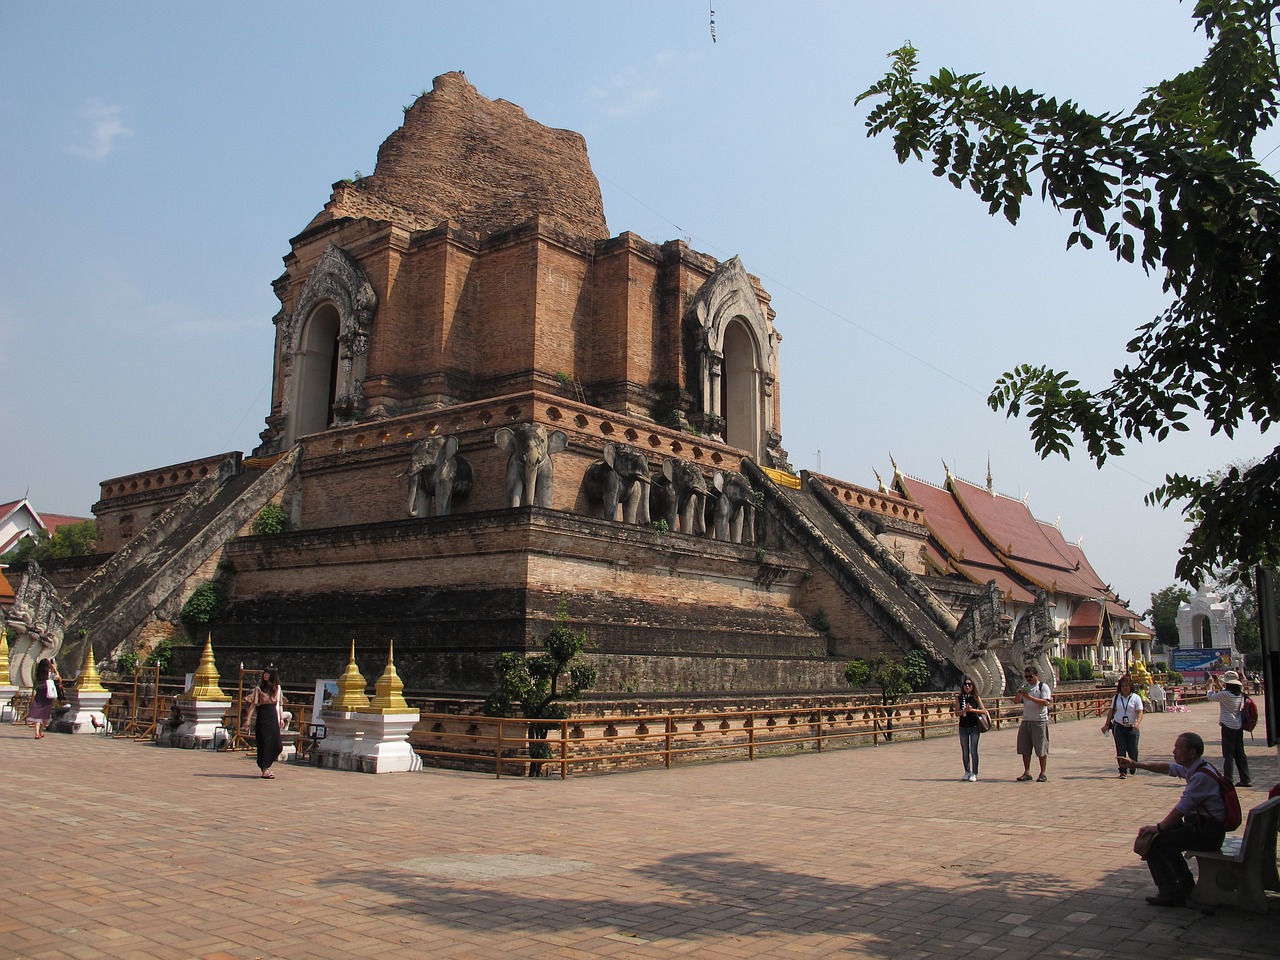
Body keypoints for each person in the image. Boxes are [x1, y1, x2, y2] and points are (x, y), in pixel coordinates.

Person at [1123, 732, 1228, 907]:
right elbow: (1166, 768)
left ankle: (1170, 892)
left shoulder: (1200, 777)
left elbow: (1181, 809)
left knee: (1156, 842)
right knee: (1168, 836)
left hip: (1208, 834)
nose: (1174, 751)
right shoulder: (1199, 767)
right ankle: (1185, 885)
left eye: (1178, 748)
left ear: (1192, 752)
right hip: (1203, 828)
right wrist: (1136, 764)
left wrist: (1158, 827)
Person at [1206, 670, 1251, 787]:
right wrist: (1218, 684)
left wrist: (1210, 684)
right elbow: (1224, 693)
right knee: (1240, 753)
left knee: (1228, 754)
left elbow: (1211, 697)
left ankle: (1228, 779)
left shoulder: (1226, 694)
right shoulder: (1239, 694)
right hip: (1238, 724)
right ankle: (1245, 779)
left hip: (1228, 725)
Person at [244, 666, 285, 779]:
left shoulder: (277, 688)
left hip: (273, 715)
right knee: (264, 742)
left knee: (277, 745)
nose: (265, 675)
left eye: (268, 673)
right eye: (265, 673)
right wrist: (248, 719)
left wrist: (281, 718)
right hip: (263, 715)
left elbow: (280, 704)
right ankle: (264, 769)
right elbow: (253, 704)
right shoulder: (259, 688)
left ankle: (266, 765)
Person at [1014, 664, 1052, 781]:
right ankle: (1027, 772)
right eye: (1026, 677)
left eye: (1030, 677)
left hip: (1039, 721)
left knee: (1041, 748)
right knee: (1024, 747)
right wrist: (1019, 693)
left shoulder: (1042, 687)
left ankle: (1043, 773)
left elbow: (1045, 702)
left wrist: (1029, 697)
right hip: (1026, 720)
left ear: (1036, 676)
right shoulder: (1025, 687)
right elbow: (1016, 701)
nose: (1028, 679)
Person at [1102, 674, 1143, 778]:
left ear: (1130, 686)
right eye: (1123, 686)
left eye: (1126, 685)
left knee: (1133, 749)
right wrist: (1107, 724)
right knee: (1121, 749)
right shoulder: (1116, 697)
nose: (1124, 688)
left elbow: (1140, 712)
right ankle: (1122, 770)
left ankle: (1133, 765)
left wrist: (1137, 723)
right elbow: (1111, 711)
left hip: (1132, 727)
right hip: (1119, 726)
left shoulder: (1135, 698)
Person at [956, 677, 989, 782]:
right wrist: (964, 710)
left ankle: (974, 773)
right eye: (965, 684)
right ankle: (967, 771)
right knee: (965, 750)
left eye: (969, 684)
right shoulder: (960, 698)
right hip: (963, 726)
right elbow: (957, 713)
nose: (967, 686)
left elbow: (984, 711)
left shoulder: (976, 697)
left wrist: (973, 710)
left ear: (973, 686)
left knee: (974, 750)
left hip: (974, 726)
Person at [28, 657, 59, 739]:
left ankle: (36, 733)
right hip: (48, 696)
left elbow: (35, 686)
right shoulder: (49, 675)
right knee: (45, 715)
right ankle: (41, 732)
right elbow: (58, 678)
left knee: (37, 715)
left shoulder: (38, 676)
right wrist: (54, 668)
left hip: (39, 695)